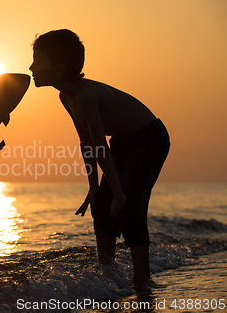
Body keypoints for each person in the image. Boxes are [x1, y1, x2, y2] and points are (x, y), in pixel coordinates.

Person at [29, 29, 170, 285]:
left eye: (37, 62)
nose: (31, 67)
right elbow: (87, 145)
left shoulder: (84, 96)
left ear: (59, 69)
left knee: (128, 208)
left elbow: (100, 147)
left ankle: (143, 281)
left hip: (150, 139)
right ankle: (108, 274)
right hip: (123, 142)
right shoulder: (66, 96)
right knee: (101, 204)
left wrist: (120, 194)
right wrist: (94, 189)